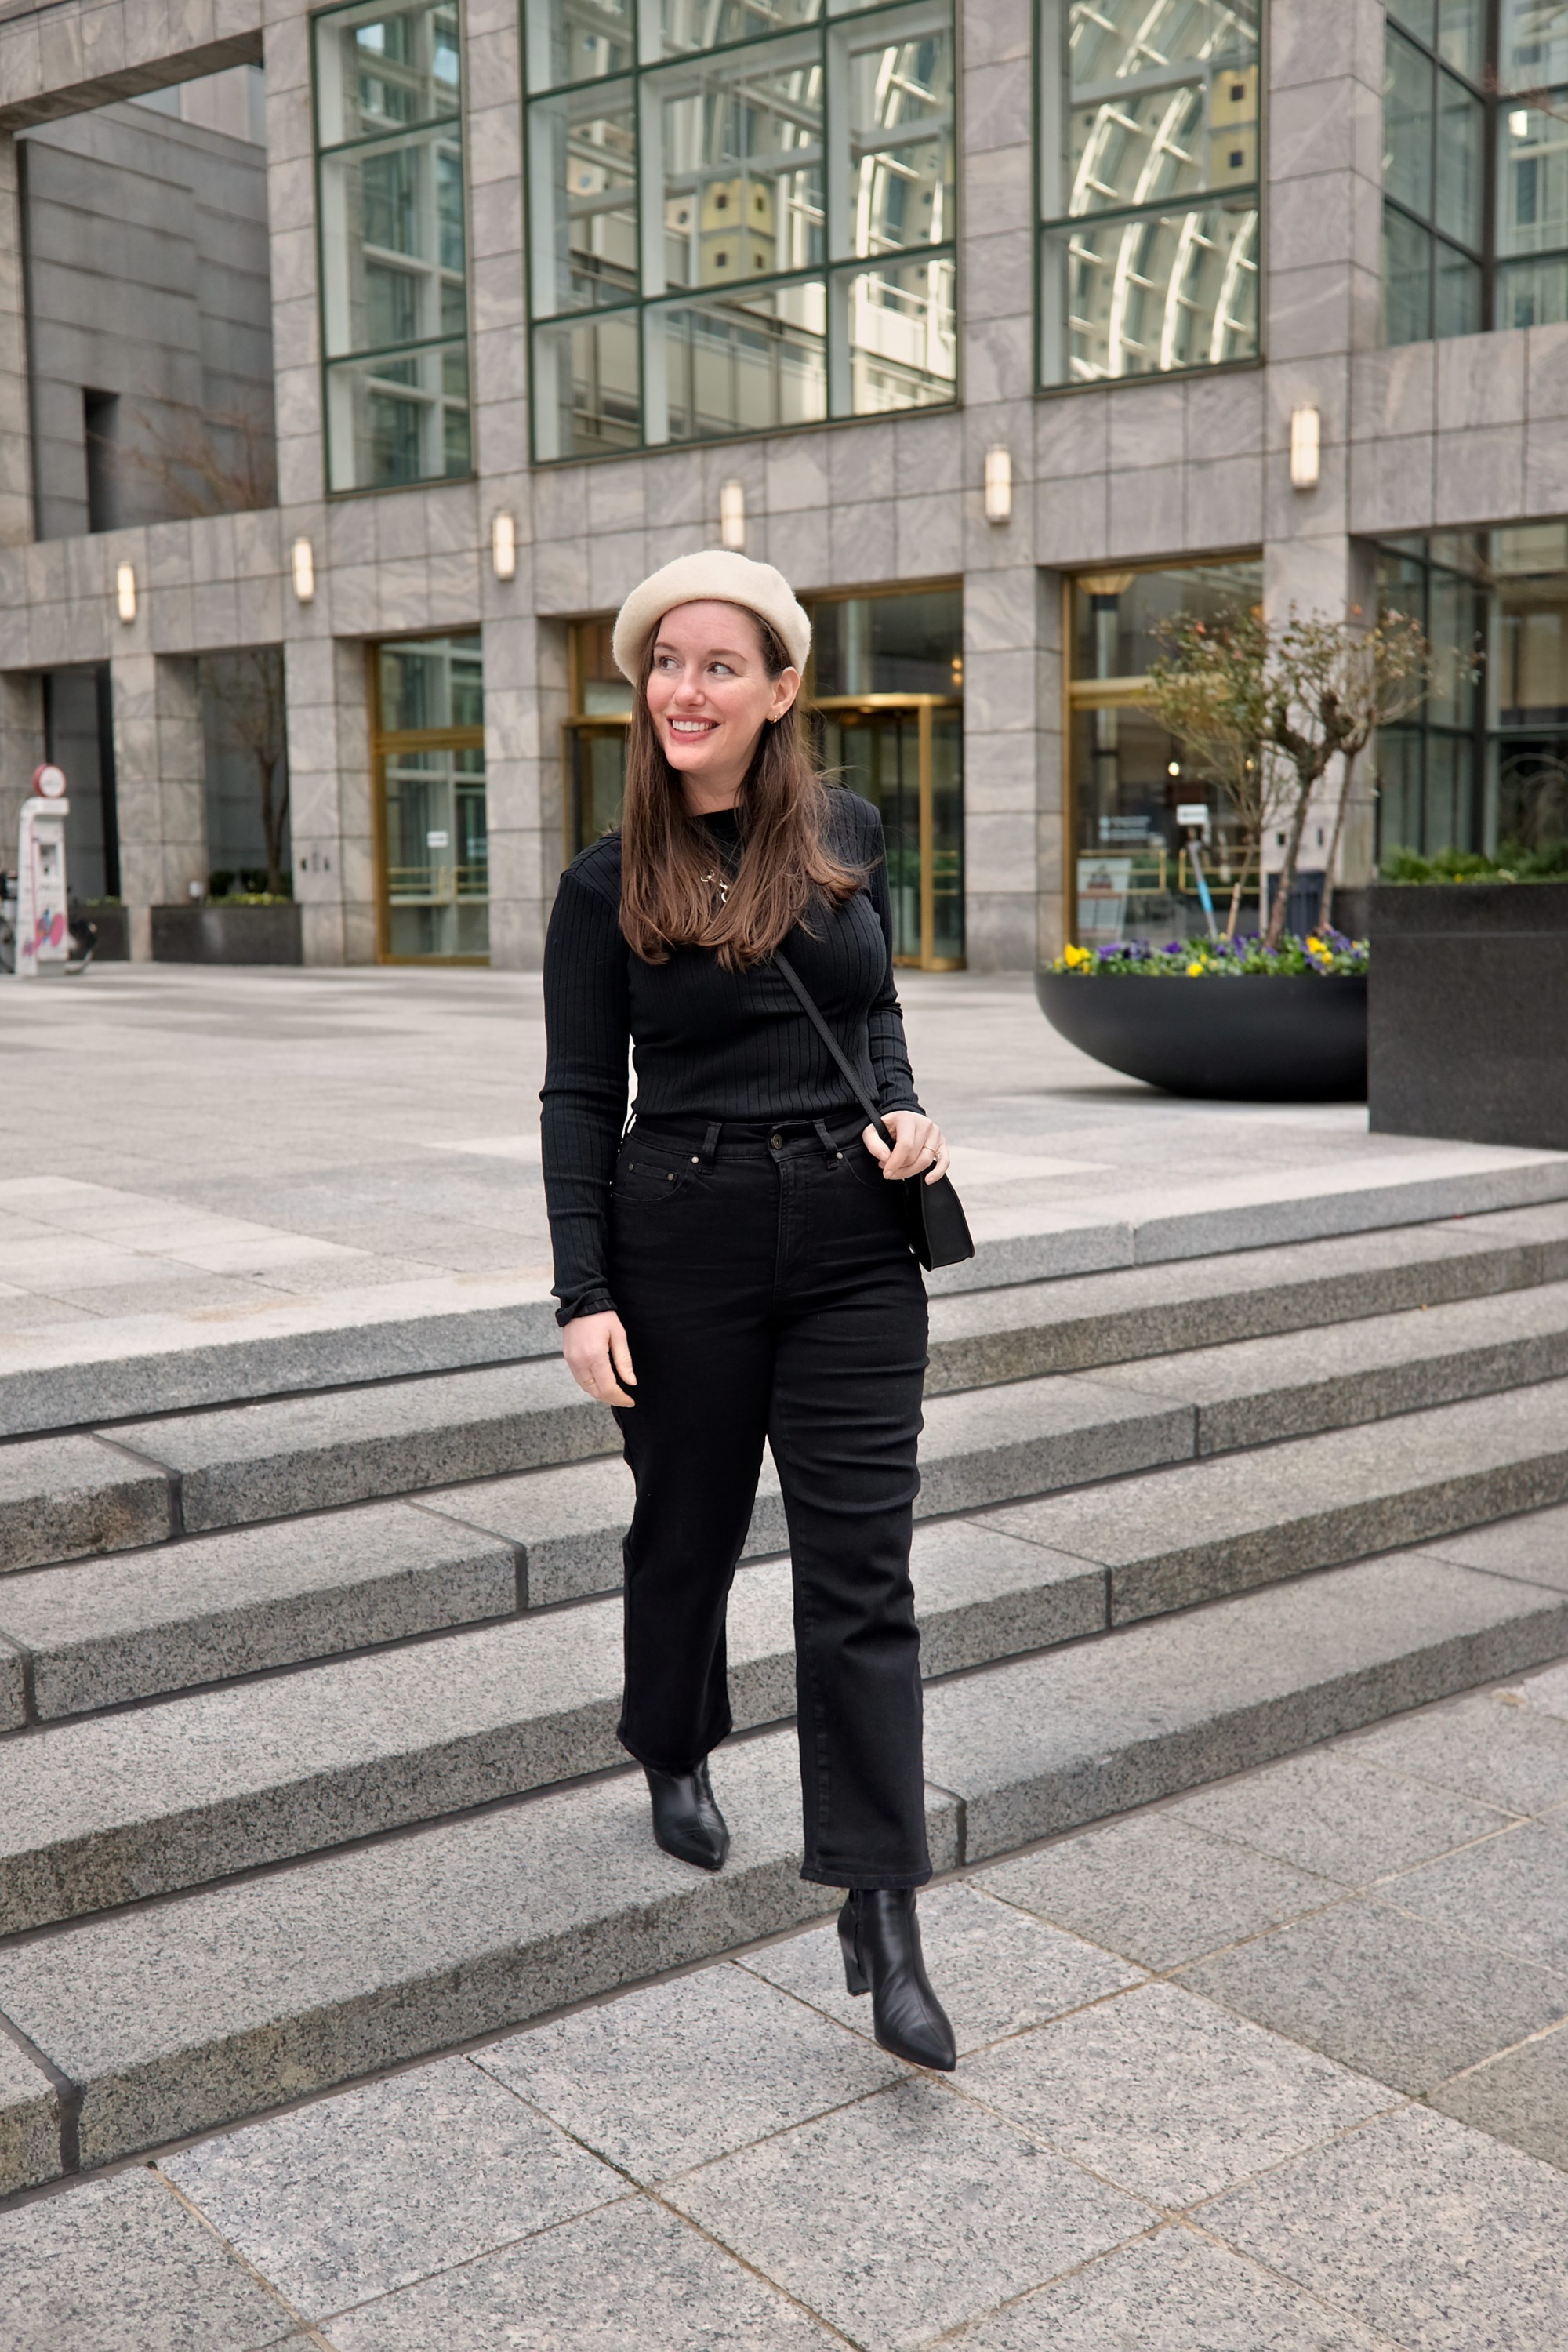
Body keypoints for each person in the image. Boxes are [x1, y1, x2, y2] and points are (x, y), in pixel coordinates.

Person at [540, 549, 956, 2070]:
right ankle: (671, 1742)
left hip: (854, 1247)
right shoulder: (604, 885)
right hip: (683, 1240)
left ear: (781, 692)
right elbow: (580, 1098)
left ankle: (883, 1904)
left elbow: (876, 1016)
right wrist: (583, 1293)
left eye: (720, 666)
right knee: (686, 1534)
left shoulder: (844, 836)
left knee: (863, 1579)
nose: (684, 690)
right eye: (664, 664)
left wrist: (908, 1118)